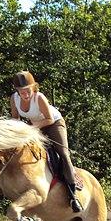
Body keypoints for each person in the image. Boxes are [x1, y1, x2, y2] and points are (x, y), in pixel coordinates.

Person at [10, 70, 83, 213]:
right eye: (21, 91)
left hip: (54, 123)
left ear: (33, 87)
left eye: (27, 90)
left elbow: (49, 119)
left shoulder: (39, 98)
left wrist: (30, 128)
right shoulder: (14, 99)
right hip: (36, 126)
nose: (24, 94)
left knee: (63, 153)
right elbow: (15, 120)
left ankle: (73, 196)